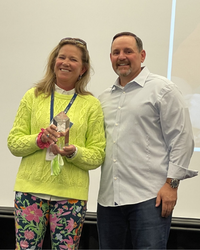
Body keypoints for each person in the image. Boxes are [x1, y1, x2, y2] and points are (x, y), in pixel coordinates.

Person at [97, 32, 198, 249]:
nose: (121, 57)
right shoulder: (104, 98)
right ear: (111, 57)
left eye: (128, 51)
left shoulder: (163, 89)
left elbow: (182, 139)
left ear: (142, 55)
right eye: (116, 52)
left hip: (149, 198)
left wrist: (172, 185)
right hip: (108, 200)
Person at [7, 37, 106, 250]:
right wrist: (39, 139)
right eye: (61, 57)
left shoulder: (92, 105)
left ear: (83, 69)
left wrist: (74, 152)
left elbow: (98, 155)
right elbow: (14, 143)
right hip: (30, 190)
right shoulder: (33, 96)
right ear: (54, 62)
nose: (65, 62)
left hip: (71, 194)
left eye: (73, 59)